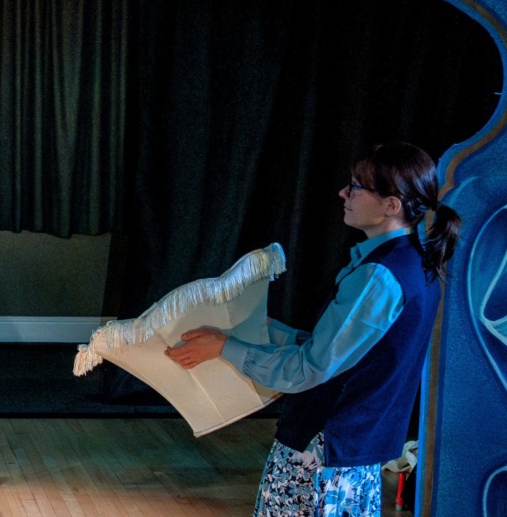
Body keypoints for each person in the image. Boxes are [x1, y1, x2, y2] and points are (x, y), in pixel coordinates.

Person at [166, 141, 461, 516]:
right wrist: (267, 330)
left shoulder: (380, 277)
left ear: (391, 205)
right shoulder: (413, 263)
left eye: (356, 186)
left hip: (324, 456)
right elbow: (349, 356)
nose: (344, 192)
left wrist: (225, 347)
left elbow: (309, 370)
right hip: (348, 455)